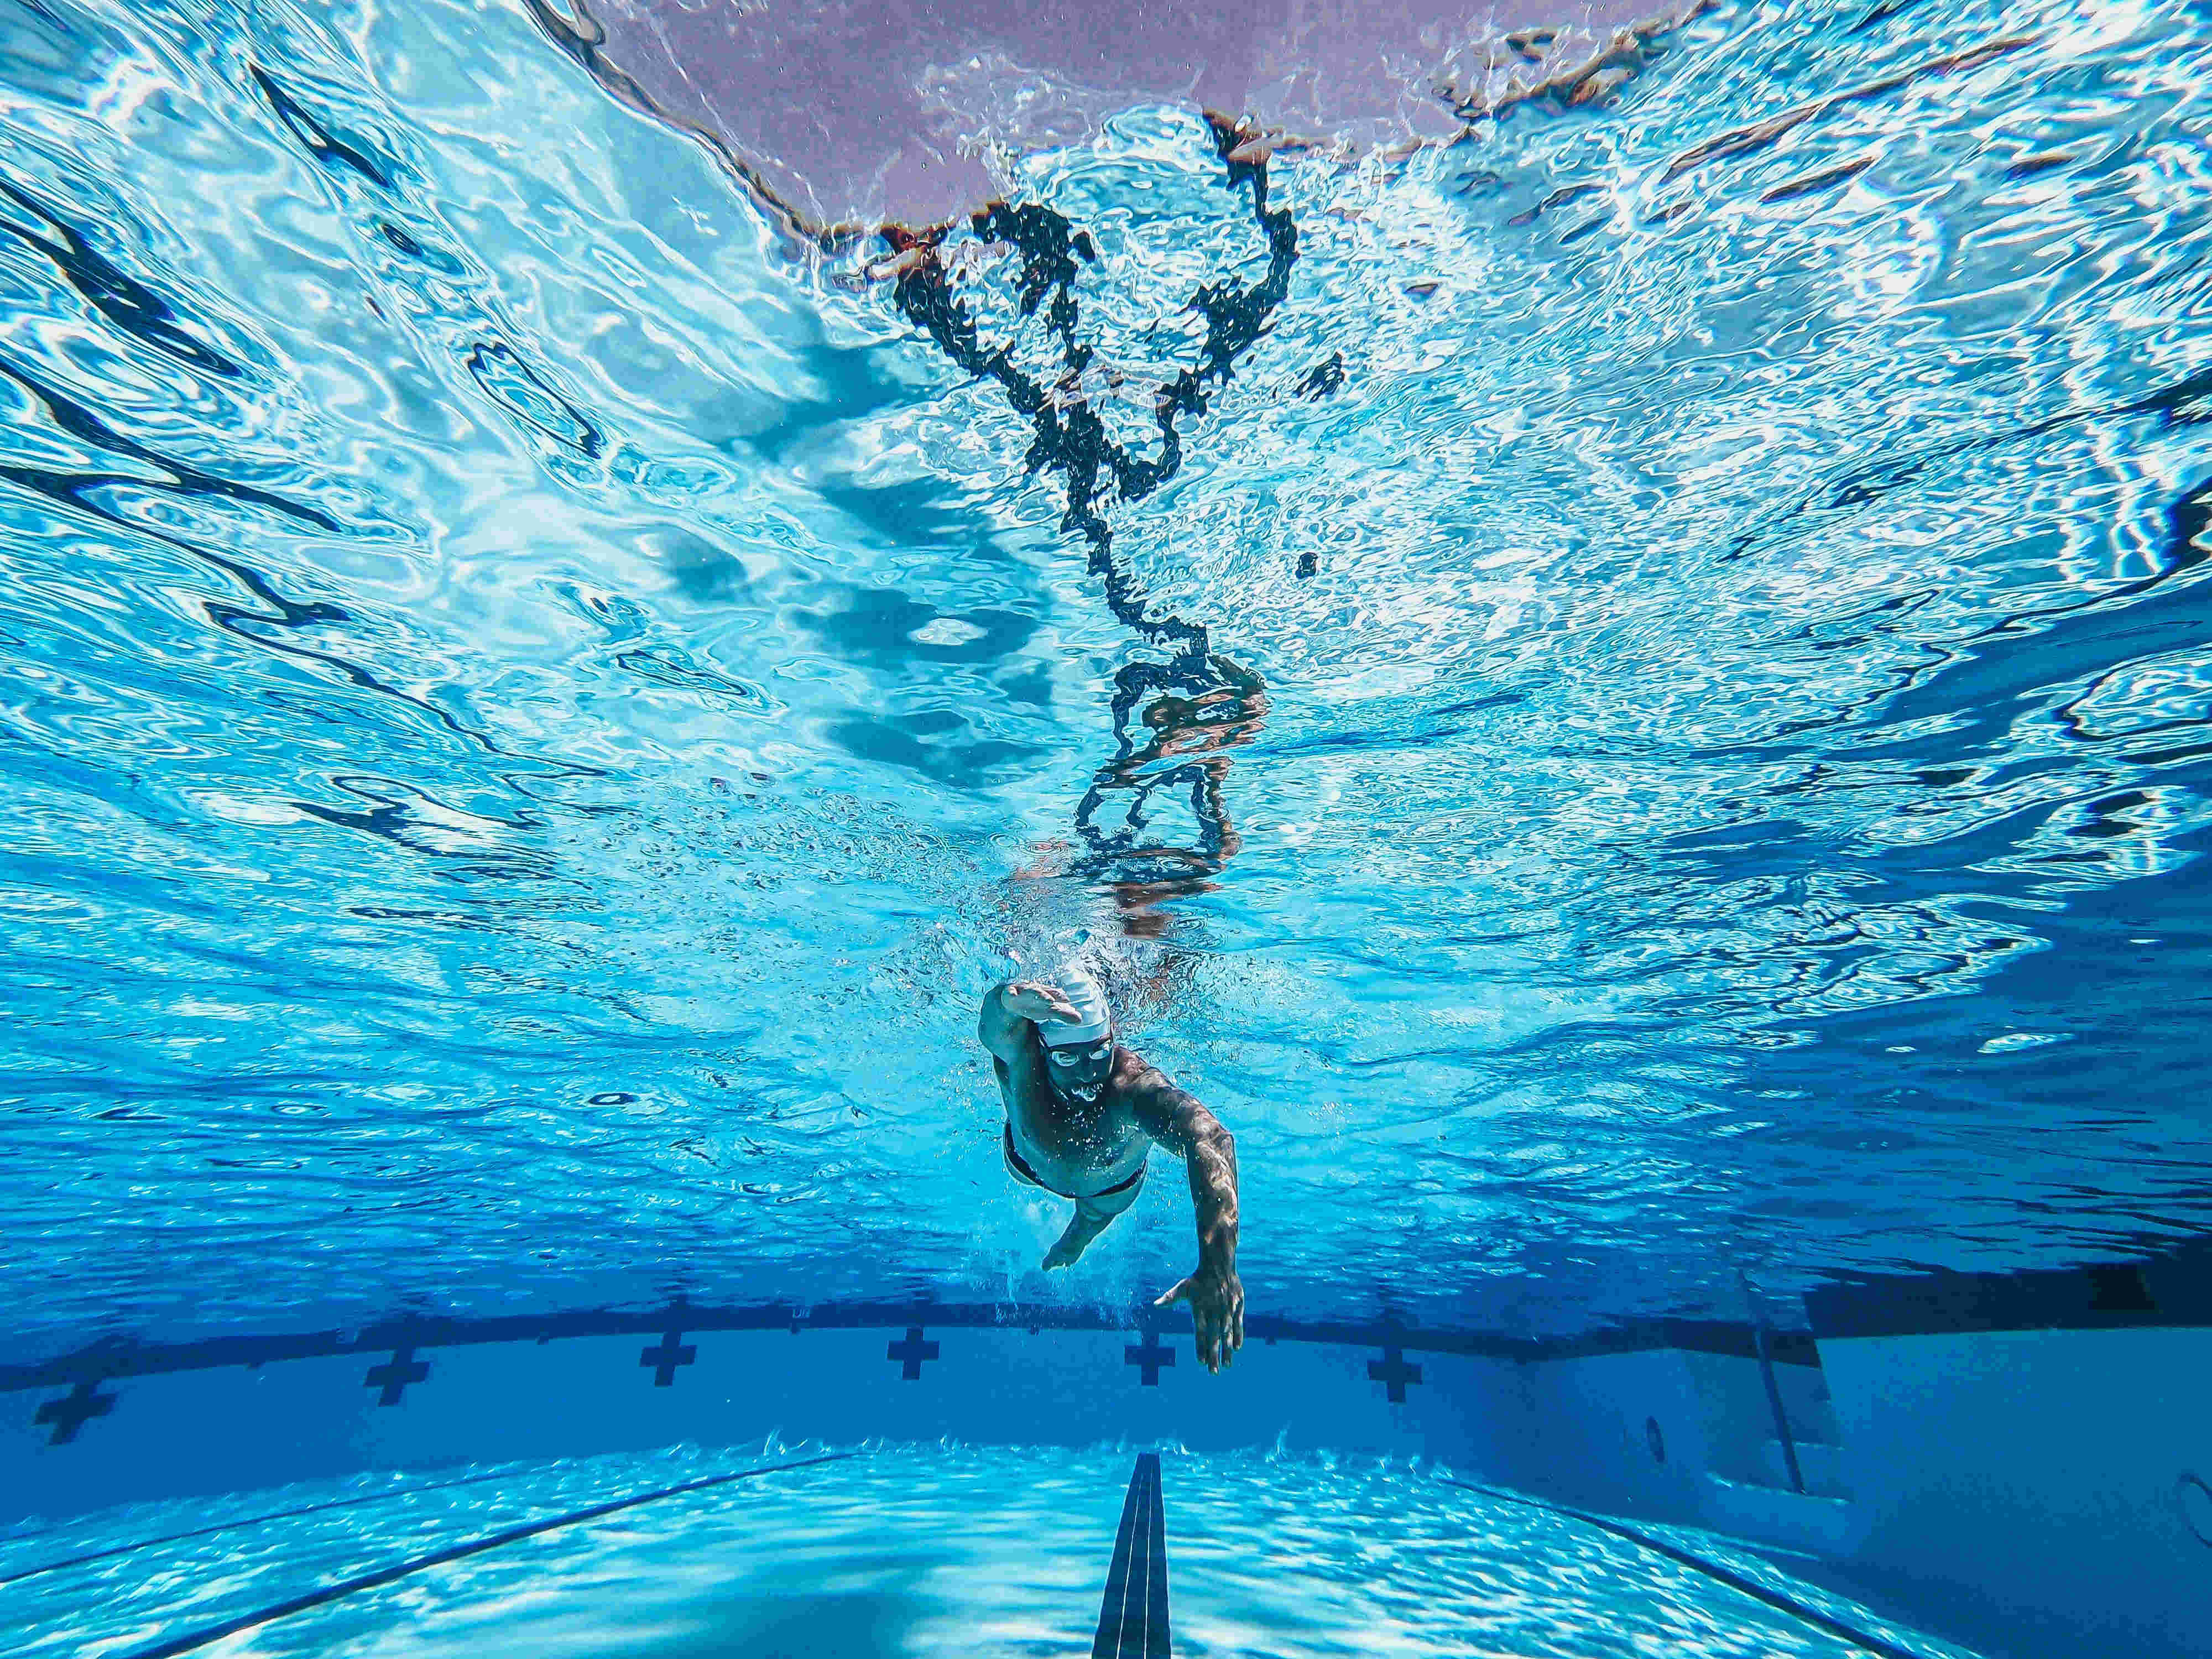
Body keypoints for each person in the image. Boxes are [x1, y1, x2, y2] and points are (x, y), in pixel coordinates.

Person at [977, 967, 1244, 1372]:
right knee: (1082, 1217)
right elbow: (993, 1028)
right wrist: (1006, 1001)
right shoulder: (1023, 1053)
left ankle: (1075, 1241)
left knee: (1091, 1220)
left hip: (1107, 1193)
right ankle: (1073, 1241)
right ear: (1044, 1047)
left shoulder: (1134, 1089)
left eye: (1100, 1051)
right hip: (1026, 1164)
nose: (1087, 1071)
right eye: (1068, 1057)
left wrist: (1218, 1265)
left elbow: (1212, 1141)